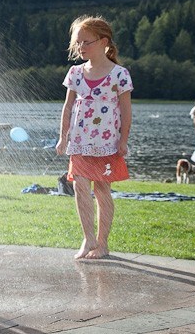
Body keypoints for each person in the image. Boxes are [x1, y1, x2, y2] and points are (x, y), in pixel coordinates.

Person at [55, 15, 133, 260]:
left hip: (106, 144)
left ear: (103, 42)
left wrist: (123, 140)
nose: (81, 48)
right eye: (78, 43)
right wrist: (62, 137)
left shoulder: (119, 75)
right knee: (79, 184)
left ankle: (103, 244)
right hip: (79, 141)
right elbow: (67, 108)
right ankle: (88, 238)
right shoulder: (75, 73)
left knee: (102, 189)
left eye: (86, 42)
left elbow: (126, 111)